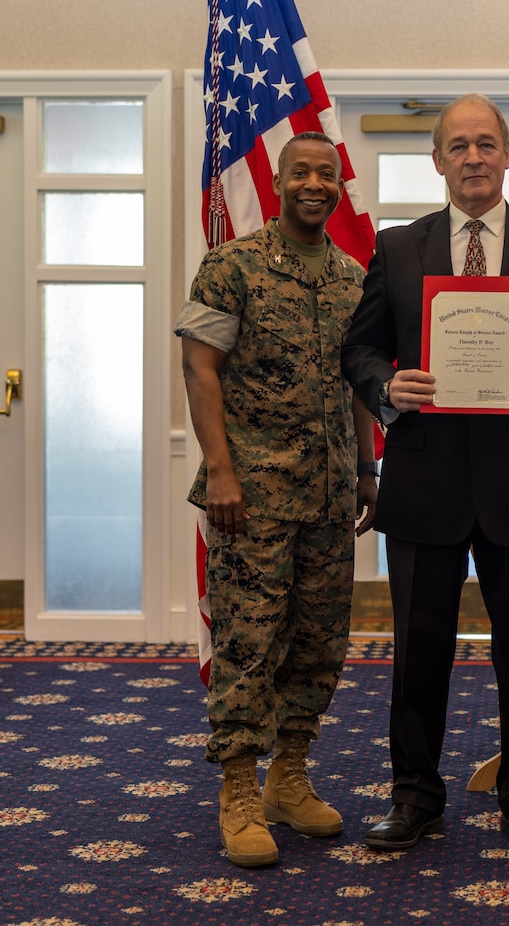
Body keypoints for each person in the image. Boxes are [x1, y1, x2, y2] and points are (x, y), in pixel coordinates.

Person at [342, 94, 509, 855]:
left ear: (507, 156)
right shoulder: (399, 248)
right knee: (417, 647)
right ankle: (414, 796)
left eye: (486, 144)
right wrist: (384, 390)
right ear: (437, 160)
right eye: (458, 145)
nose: (473, 157)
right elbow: (359, 351)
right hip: (425, 479)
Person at [176, 131, 379, 868]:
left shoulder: (355, 278)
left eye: (328, 173)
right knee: (249, 642)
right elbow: (200, 369)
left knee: (320, 642)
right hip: (252, 498)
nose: (316, 184)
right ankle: (237, 788)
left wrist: (367, 469)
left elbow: (360, 382)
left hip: (328, 498)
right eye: (303, 172)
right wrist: (221, 471)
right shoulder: (232, 266)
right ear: (280, 180)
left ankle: (289, 777)